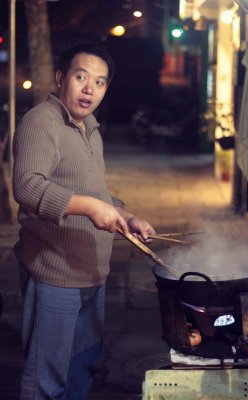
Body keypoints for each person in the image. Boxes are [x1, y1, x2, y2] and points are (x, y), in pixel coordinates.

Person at [12, 42, 156, 400]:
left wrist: (126, 215)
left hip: (92, 273)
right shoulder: (40, 122)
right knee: (47, 378)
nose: (90, 89)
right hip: (55, 275)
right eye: (81, 77)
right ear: (61, 79)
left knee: (82, 367)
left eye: (100, 82)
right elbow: (27, 188)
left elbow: (95, 191)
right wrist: (92, 208)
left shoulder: (89, 127)